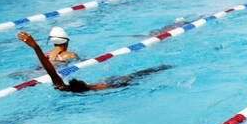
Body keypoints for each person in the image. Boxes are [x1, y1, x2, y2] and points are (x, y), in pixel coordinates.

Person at [18, 31, 168, 92]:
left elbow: (51, 70)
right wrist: (35, 46)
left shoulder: (65, 86)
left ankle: (159, 68)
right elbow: (50, 70)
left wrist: (36, 47)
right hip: (117, 85)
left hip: (112, 83)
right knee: (140, 74)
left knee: (141, 74)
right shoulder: (91, 87)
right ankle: (161, 68)